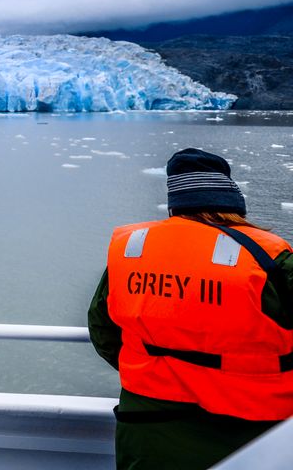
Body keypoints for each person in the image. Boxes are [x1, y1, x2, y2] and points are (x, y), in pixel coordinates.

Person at [88, 147, 293, 469]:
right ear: (232, 201)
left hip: (148, 431)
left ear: (174, 203)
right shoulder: (268, 257)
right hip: (253, 434)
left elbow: (103, 329)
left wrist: (157, 367)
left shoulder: (134, 251)